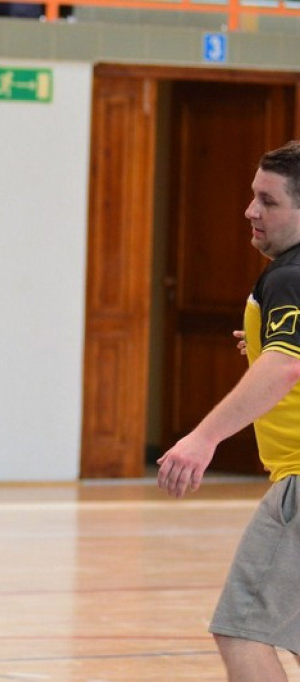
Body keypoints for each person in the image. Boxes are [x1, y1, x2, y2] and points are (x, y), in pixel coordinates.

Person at [157, 140, 300, 681]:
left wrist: (202, 438)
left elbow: (287, 367)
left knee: (243, 630)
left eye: (269, 201)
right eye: (251, 197)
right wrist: (269, 342)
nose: (250, 211)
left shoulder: (288, 277)